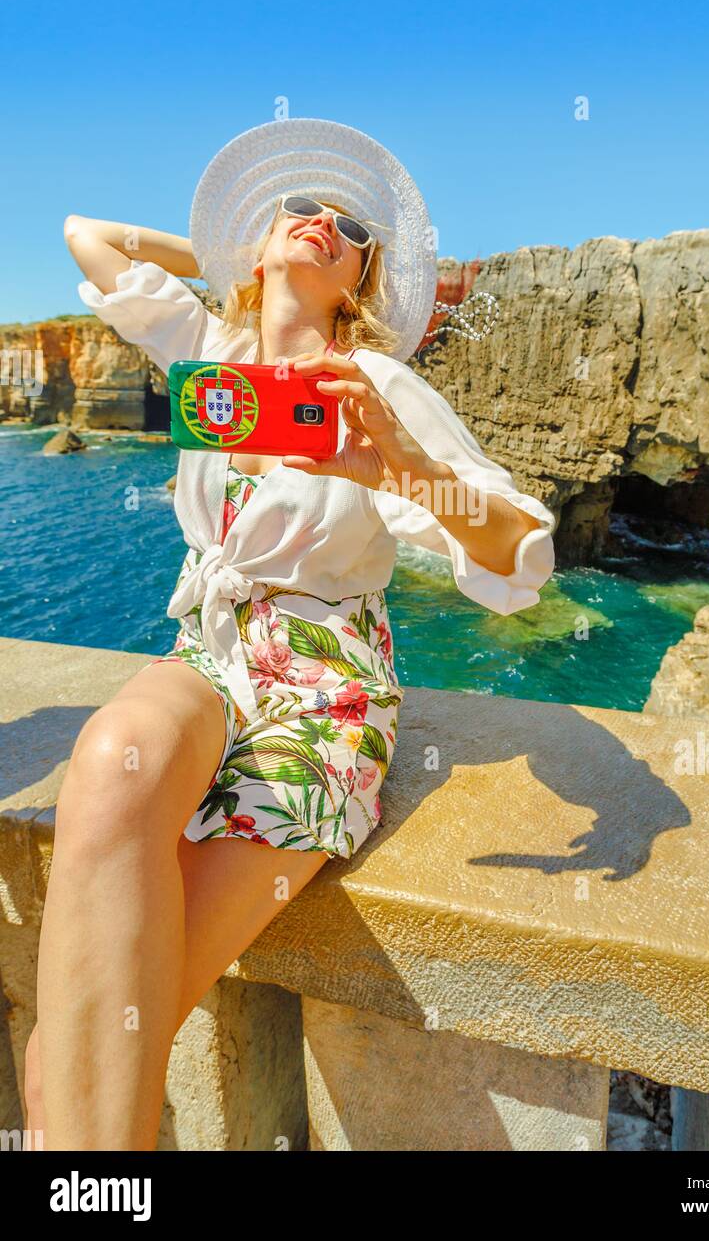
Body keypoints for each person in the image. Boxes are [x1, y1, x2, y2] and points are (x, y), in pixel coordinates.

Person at [25, 119, 556, 1150]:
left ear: (362, 276)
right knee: (109, 765)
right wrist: (234, 268)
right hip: (212, 649)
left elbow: (520, 551)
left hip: (325, 680)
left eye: (347, 226)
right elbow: (90, 235)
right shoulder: (212, 358)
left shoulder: (379, 389)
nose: (320, 221)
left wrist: (399, 468)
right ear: (261, 244)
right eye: (296, 211)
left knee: (78, 1053)